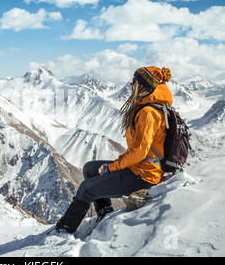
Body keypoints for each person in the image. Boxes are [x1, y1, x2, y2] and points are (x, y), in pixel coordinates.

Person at [55, 66, 173, 233]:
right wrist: (116, 166)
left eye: (134, 82)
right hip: (140, 168)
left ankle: (64, 230)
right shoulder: (149, 108)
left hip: (144, 175)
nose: (131, 85)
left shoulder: (148, 112)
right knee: (90, 168)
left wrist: (112, 167)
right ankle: (104, 215)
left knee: (86, 189)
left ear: (143, 85)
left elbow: (139, 152)